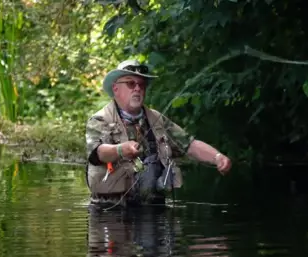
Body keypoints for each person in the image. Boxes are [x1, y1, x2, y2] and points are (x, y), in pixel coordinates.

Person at [85, 59, 232, 207]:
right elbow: (97, 153)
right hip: (109, 212)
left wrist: (217, 157)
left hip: (151, 208)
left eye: (141, 85)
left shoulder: (157, 119)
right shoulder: (100, 119)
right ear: (116, 89)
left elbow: (189, 145)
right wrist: (120, 150)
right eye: (131, 83)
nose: (137, 88)